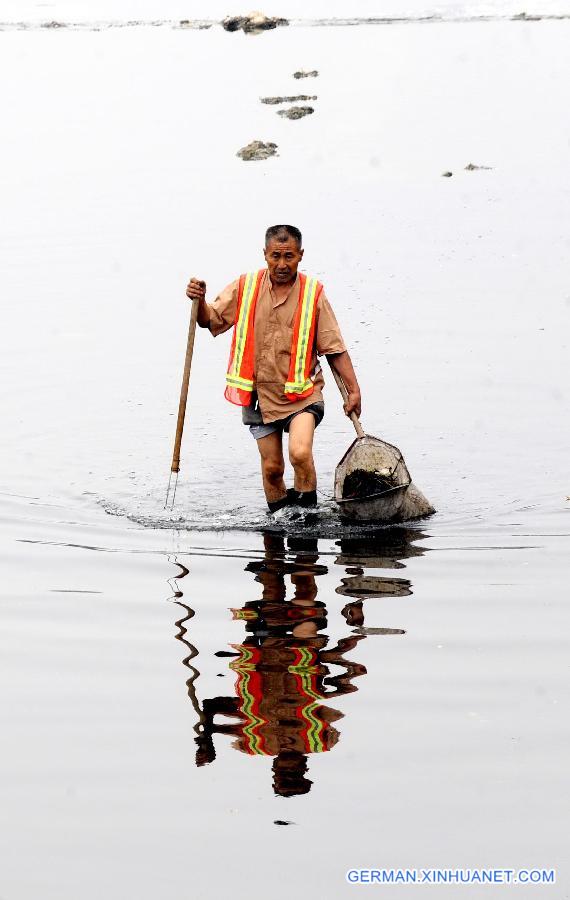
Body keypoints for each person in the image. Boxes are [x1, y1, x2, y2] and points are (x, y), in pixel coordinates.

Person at [186, 224, 361, 513]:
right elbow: (211, 319)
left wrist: (353, 390)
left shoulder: (313, 294)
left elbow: (334, 347)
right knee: (272, 469)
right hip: (258, 395)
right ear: (265, 254)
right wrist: (199, 301)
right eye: (276, 256)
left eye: (289, 256)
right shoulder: (246, 286)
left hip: (302, 394)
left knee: (300, 453)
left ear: (301, 255)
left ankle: (307, 527)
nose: (282, 264)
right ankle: (278, 528)